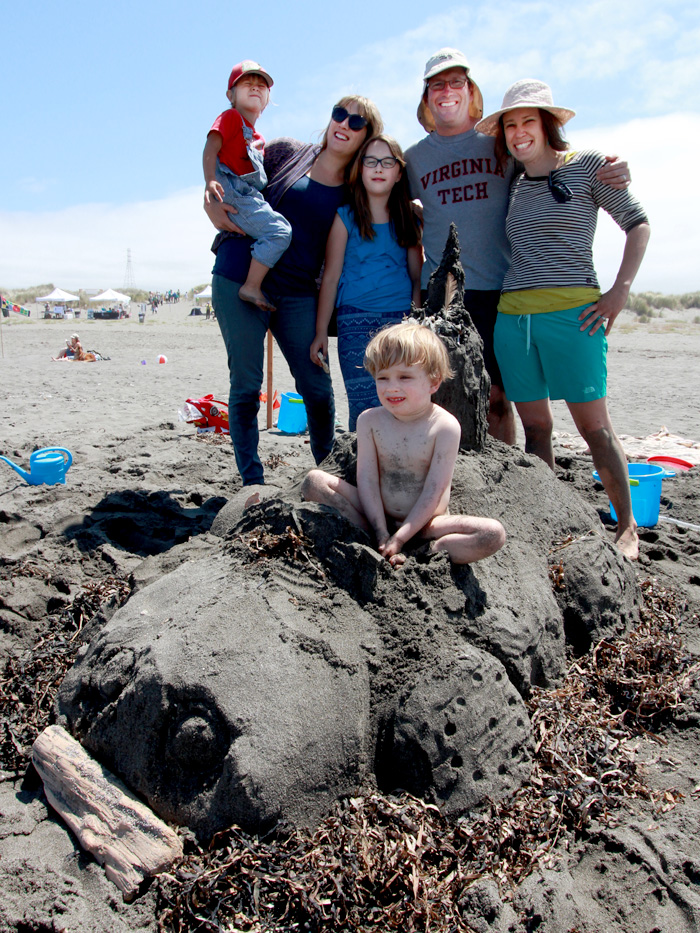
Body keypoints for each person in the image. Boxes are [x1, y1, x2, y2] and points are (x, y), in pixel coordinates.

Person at [404, 48, 632, 447]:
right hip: (443, 293)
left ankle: (507, 479)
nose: (447, 90)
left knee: (496, 398)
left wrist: (610, 167)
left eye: (456, 81)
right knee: (442, 396)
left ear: (470, 91)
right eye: (437, 84)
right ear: (426, 98)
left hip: (500, 290)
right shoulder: (412, 159)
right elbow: (383, 202)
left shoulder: (499, 145)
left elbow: (549, 160)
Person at [476, 79, 650, 560]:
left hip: (576, 316)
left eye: (527, 120)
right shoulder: (510, 178)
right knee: (536, 429)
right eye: (510, 124)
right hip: (513, 318)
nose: (518, 132)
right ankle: (547, 516)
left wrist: (619, 292)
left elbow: (638, 224)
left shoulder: (588, 167)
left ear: (547, 124)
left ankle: (628, 526)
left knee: (596, 429)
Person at [204, 95, 383, 487]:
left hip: (299, 294)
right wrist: (209, 199)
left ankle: (330, 474)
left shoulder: (357, 189)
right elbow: (230, 173)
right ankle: (252, 482)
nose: (345, 123)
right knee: (246, 386)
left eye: (357, 122)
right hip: (239, 276)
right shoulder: (285, 152)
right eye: (340, 113)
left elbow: (386, 210)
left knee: (318, 388)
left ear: (367, 137)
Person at [302, 322, 506, 567]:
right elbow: (367, 479)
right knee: (314, 482)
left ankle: (428, 551)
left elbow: (434, 491)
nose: (392, 387)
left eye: (405, 377)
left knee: (492, 534)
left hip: (427, 524)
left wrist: (402, 537)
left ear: (434, 382)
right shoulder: (369, 420)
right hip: (375, 516)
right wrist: (380, 529)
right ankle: (373, 538)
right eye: (383, 378)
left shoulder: (444, 427)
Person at [310, 133, 422, 430]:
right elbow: (331, 277)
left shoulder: (409, 218)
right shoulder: (344, 217)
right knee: (363, 408)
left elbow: (416, 277)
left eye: (387, 162)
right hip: (354, 322)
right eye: (370, 161)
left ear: (399, 172)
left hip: (400, 321)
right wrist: (321, 330)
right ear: (360, 170)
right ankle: (362, 475)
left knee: (402, 403)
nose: (378, 168)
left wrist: (417, 325)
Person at [203, 60, 292, 312]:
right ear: (230, 94)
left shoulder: (258, 139)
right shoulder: (230, 118)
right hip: (233, 188)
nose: (255, 88)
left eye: (261, 85)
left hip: (248, 193)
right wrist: (210, 180)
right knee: (279, 231)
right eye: (246, 83)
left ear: (267, 99)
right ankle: (251, 285)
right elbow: (210, 148)